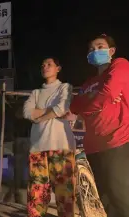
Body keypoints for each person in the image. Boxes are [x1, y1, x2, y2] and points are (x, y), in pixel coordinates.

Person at [70, 34, 129, 217]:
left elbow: (109, 92)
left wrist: (90, 103)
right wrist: (97, 100)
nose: (95, 51)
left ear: (111, 51)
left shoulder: (120, 64)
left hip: (117, 141)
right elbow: (74, 107)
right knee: (104, 199)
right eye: (91, 49)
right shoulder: (88, 83)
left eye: (100, 46)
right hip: (93, 148)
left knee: (121, 196)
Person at [23, 57, 76, 217]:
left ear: (58, 68)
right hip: (38, 147)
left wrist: (38, 116)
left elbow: (62, 108)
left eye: (49, 64)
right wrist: (52, 112)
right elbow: (27, 112)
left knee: (64, 195)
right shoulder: (36, 92)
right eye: (43, 65)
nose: (45, 67)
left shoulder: (64, 87)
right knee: (36, 195)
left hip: (62, 146)